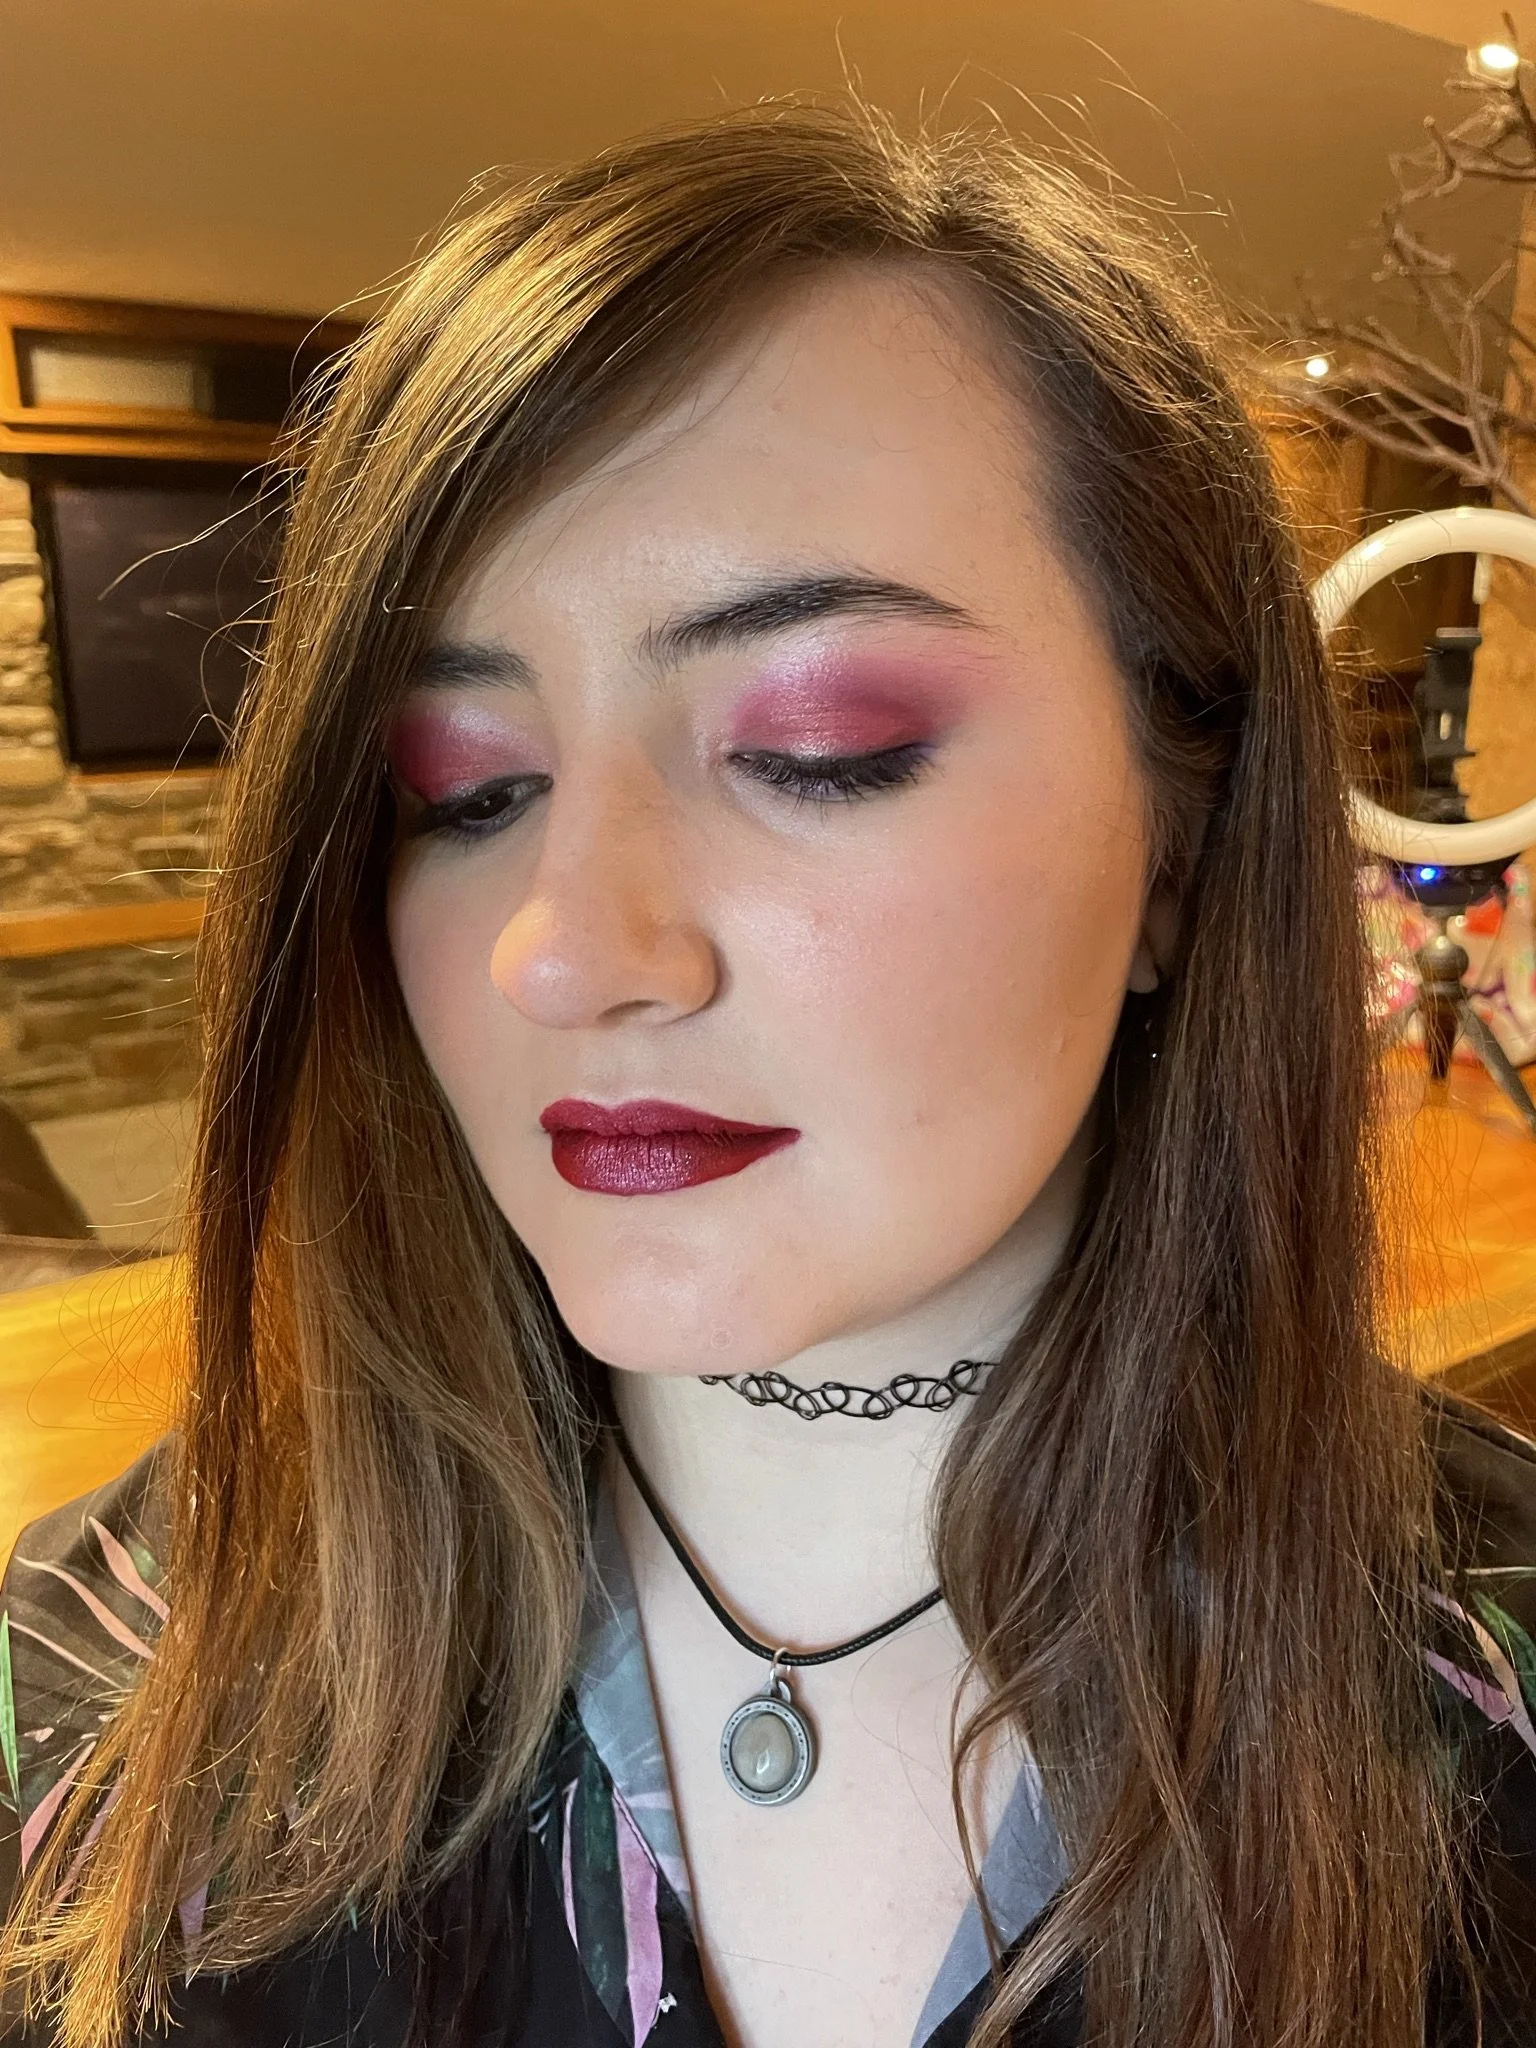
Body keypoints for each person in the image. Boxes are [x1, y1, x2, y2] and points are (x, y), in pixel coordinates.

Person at [0, 103, 1533, 2048]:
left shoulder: (1493, 1704)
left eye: (815, 746)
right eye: (463, 790)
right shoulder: (94, 1674)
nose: (558, 945)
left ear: (1183, 832)